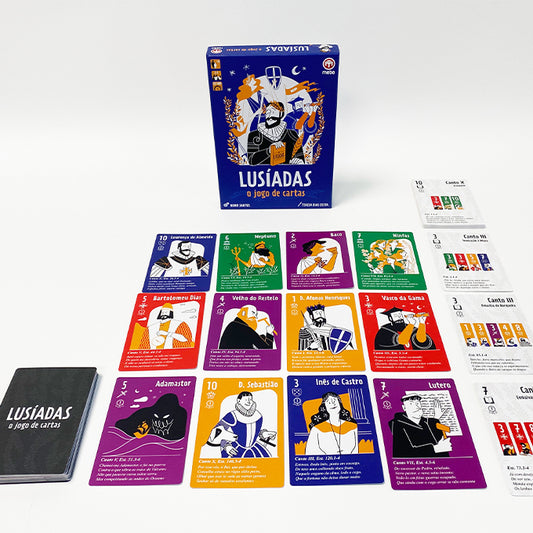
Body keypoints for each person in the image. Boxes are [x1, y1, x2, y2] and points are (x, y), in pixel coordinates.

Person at [206, 392, 276, 458]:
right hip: (236, 449)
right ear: (239, 401)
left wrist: (264, 434)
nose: (249, 402)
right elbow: (218, 432)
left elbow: (255, 432)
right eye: (246, 400)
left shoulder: (258, 415)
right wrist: (226, 446)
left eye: (250, 399)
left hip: (254, 448)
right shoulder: (232, 415)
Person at [388, 393, 452, 457]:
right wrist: (435, 449)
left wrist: (436, 419)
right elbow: (401, 453)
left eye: (417, 403)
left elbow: (442, 445)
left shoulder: (430, 422)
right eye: (411, 404)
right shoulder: (396, 424)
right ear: (404, 408)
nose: (416, 406)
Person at [247, 101, 304, 165]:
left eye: (273, 111)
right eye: (267, 112)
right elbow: (251, 161)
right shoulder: (254, 135)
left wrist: (298, 161)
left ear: (281, 114)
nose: (269, 115)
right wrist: (268, 151)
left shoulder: (291, 134)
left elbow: (300, 156)